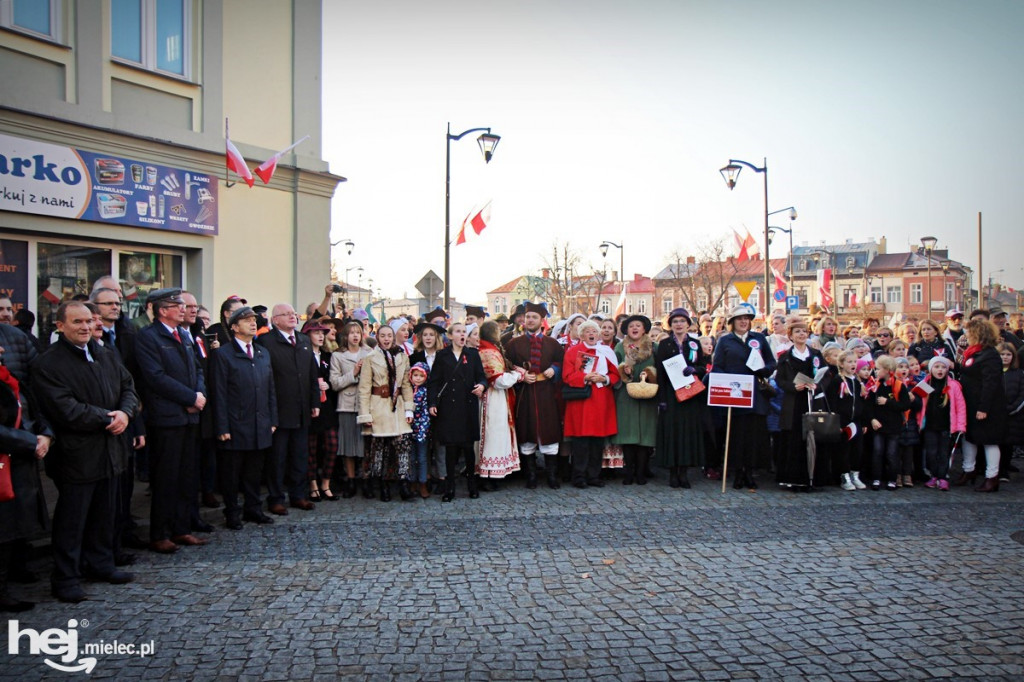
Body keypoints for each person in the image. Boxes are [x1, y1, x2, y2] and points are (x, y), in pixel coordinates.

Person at [32, 301, 139, 602]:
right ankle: (66, 578)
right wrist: (110, 417)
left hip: (111, 450)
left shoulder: (104, 353)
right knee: (72, 520)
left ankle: (101, 564)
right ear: (60, 326)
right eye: (77, 322)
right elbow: (65, 409)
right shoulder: (48, 363)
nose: (85, 327)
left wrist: (126, 414)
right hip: (76, 454)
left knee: (106, 513)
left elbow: (128, 387)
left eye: (88, 322)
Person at [134, 288, 208, 554]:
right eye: (176, 305)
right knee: (166, 477)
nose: (183, 309)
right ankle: (160, 533)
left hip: (190, 416)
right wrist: (189, 397)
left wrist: (198, 394)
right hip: (167, 418)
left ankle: (181, 528)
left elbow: (197, 369)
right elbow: (155, 377)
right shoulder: (148, 337)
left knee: (187, 476)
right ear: (162, 310)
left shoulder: (184, 336)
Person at [211, 307, 278, 529]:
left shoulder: (261, 353)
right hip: (235, 423)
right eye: (246, 320)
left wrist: (273, 419)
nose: (252, 323)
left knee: (254, 471)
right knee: (232, 474)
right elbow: (218, 393)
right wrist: (222, 426)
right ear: (234, 327)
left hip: (260, 422)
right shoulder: (223, 354)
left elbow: (270, 389)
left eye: (253, 320)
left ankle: (253, 509)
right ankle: (232, 512)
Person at [257, 303, 320, 514]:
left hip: (302, 409)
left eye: (294, 313)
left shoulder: (303, 340)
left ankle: (298, 495)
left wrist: (314, 402)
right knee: (278, 458)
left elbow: (312, 374)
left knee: (300, 456)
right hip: (279, 411)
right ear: (275, 320)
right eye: (287, 314)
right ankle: (275, 498)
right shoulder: (266, 342)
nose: (293, 317)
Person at [0, 362, 51, 611]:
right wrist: (31, 442)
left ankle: (16, 570)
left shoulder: (12, 379)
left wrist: (45, 435)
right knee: (4, 527)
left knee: (17, 523)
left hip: (21, 463)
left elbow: (36, 413)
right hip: (6, 461)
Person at [711, 304, 777, 489]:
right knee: (736, 435)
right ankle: (737, 471)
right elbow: (718, 365)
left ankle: (750, 471)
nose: (743, 322)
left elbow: (772, 362)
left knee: (753, 435)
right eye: (740, 319)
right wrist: (724, 382)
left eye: (747, 319)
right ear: (732, 322)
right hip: (735, 393)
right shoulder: (726, 341)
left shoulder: (759, 339)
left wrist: (765, 370)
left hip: (755, 393)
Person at [504, 302, 565, 488]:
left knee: (549, 432)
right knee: (527, 432)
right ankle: (530, 475)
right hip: (525, 394)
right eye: (528, 317)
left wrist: (554, 369)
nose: (530, 320)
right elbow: (507, 365)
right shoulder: (513, 344)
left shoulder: (553, 344)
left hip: (547, 393)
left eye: (534, 317)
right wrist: (521, 375)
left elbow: (562, 362)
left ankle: (551, 476)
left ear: (542, 321)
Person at [427, 322, 486, 501]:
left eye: (464, 332)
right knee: (451, 450)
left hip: (467, 405)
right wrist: (432, 403)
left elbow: (481, 376)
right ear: (450, 336)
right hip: (449, 408)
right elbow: (434, 382)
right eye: (458, 331)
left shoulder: (473, 355)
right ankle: (450, 487)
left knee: (468, 449)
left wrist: (482, 386)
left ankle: (472, 485)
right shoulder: (442, 355)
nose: (462, 335)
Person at [357, 323, 414, 501]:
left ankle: (403, 483)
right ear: (378, 337)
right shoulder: (370, 358)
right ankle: (382, 485)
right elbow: (364, 388)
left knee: (403, 445)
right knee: (380, 449)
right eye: (383, 336)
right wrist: (365, 414)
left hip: (397, 406)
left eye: (389, 335)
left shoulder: (402, 356)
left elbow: (406, 383)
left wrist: (409, 408)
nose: (387, 339)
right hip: (379, 406)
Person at [653, 309, 709, 488]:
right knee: (672, 432)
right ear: (671, 324)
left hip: (690, 393)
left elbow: (703, 366)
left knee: (687, 433)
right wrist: (661, 397)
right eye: (675, 321)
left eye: (682, 321)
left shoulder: (694, 344)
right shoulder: (664, 344)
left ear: (688, 324)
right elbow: (659, 372)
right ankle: (672, 472)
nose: (678, 324)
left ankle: (684, 472)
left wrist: (695, 370)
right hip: (670, 393)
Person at [562, 320, 620, 488]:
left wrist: (605, 378)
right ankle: (579, 476)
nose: (591, 334)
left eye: (594, 331)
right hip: (581, 401)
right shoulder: (573, 352)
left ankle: (594, 475)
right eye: (587, 331)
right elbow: (567, 376)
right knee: (580, 441)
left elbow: (615, 375)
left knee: (597, 441)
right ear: (581, 335)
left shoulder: (606, 351)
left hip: (601, 400)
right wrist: (584, 377)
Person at [954, 319, 1006, 492]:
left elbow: (991, 384)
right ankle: (969, 470)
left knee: (989, 441)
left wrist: (983, 408)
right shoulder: (973, 353)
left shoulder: (989, 355)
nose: (966, 336)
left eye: (968, 333)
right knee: (969, 437)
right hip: (970, 403)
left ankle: (992, 477)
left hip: (985, 406)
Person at [775, 318, 827, 491]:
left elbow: (826, 375)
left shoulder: (815, 354)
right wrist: (792, 387)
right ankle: (793, 479)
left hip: (811, 400)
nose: (802, 334)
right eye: (798, 332)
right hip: (793, 402)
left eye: (804, 331)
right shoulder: (785, 357)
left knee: (811, 439)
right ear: (790, 335)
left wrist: (817, 385)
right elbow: (780, 380)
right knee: (794, 440)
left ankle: (811, 479)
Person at [476, 321, 524, 490]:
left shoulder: (487, 348)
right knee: (492, 434)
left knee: (495, 434)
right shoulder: (488, 351)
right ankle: (488, 475)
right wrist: (517, 376)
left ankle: (492, 473)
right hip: (492, 398)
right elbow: (498, 380)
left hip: (495, 398)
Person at [614, 314, 659, 485]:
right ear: (626, 329)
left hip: (648, 394)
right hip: (626, 396)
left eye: (638, 325)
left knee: (645, 436)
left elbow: (659, 369)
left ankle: (641, 472)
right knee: (628, 435)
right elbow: (613, 369)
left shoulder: (654, 347)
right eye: (631, 325)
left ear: (644, 328)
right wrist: (623, 371)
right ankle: (628, 472)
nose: (634, 328)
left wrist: (649, 372)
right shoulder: (620, 347)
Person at [329, 321, 370, 498]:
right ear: (345, 336)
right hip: (346, 405)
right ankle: (351, 480)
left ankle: (366, 480)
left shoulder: (368, 353)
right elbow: (335, 383)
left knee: (366, 446)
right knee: (348, 446)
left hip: (366, 405)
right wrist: (353, 373)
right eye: (351, 333)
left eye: (358, 333)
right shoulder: (337, 356)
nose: (355, 336)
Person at [302, 319, 338, 502]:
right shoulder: (302, 355)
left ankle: (326, 482)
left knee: (332, 445)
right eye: (316, 333)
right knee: (311, 448)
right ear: (307, 335)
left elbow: (334, 379)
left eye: (322, 333)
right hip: (310, 406)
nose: (321, 336)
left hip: (327, 407)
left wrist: (328, 384)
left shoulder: (327, 356)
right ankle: (313, 484)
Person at [409, 321, 448, 491]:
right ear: (420, 338)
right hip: (420, 408)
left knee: (440, 443)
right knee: (422, 443)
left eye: (431, 335)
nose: (428, 338)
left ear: (437, 337)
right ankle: (424, 477)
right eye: (425, 335)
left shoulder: (444, 356)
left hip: (440, 404)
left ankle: (441, 477)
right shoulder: (414, 357)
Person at [917, 356, 965, 491]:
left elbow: (960, 407)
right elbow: (919, 406)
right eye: (937, 367)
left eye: (943, 367)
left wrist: (961, 426)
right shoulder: (925, 384)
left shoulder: (953, 386)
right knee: (931, 452)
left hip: (946, 426)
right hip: (930, 426)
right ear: (931, 369)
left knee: (944, 453)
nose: (940, 370)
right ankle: (934, 475)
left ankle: (943, 477)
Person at [865, 355, 912, 490]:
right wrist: (872, 419)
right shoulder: (875, 384)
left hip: (893, 426)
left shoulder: (899, 386)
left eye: (878, 369)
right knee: (877, 452)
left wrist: (888, 402)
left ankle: (892, 479)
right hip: (878, 425)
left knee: (892, 453)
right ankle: (876, 478)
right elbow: (869, 405)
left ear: (886, 370)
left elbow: (905, 405)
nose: (876, 371)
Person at [998, 342, 1024, 482]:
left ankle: (1005, 468)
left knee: (1008, 444)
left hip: (1013, 415)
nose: (1005, 357)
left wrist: (1013, 408)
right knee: (998, 443)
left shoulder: (1019, 373)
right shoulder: (994, 373)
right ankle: (999, 469)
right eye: (1002, 354)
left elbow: (1021, 394)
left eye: (1008, 355)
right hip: (996, 414)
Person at [408, 362, 432, 498]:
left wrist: (423, 428)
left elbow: (425, 412)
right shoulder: (407, 390)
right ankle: (412, 481)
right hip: (408, 427)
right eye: (415, 375)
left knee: (422, 457)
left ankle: (423, 482)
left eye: (420, 376)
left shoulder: (425, 392)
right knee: (411, 457)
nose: (417, 378)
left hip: (421, 428)